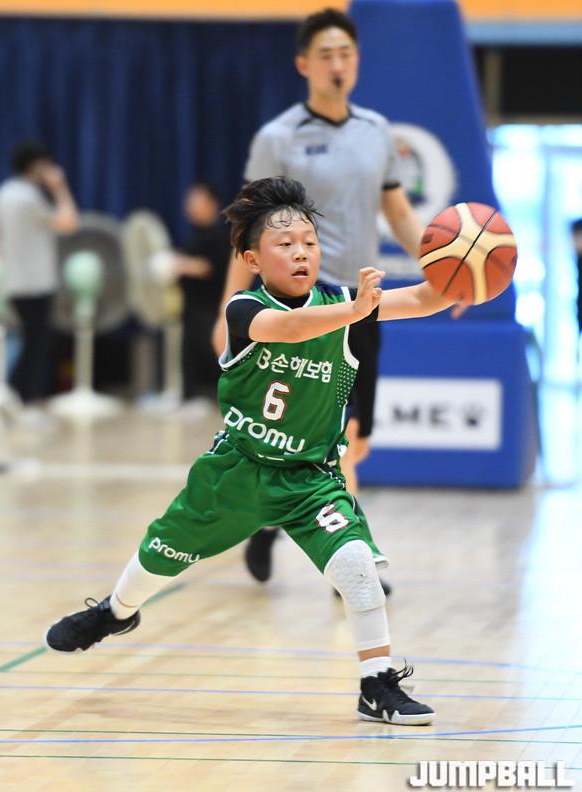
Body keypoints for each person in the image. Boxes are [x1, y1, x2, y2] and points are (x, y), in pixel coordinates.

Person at [45, 176, 457, 725]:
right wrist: (358, 311)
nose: (301, 252)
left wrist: (469, 277)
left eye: (309, 242)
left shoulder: (342, 302)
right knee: (160, 551)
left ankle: (376, 683)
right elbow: (288, 328)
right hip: (238, 470)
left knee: (357, 566)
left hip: (311, 478)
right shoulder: (244, 308)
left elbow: (426, 297)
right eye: (285, 244)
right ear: (251, 259)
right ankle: (115, 612)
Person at [212, 8, 427, 587]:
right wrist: (228, 309)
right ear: (304, 64)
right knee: (329, 435)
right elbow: (246, 232)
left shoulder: (376, 130)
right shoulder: (278, 137)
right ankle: (354, 566)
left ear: (357, 62)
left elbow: (398, 213)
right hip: (297, 309)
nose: (338, 64)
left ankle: (274, 521)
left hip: (362, 300)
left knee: (355, 437)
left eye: (346, 54)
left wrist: (444, 271)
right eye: (326, 54)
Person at [0, 140, 78, 415]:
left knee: (27, 342)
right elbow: (69, 223)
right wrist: (59, 187)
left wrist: (4, 258)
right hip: (35, 284)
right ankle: (19, 400)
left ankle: (14, 399)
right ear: (36, 166)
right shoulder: (30, 197)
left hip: (12, 282)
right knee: (35, 345)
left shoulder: (4, 192)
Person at [174, 182, 229, 413]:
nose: (191, 207)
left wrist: (181, 265)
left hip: (212, 305)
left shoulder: (221, 234)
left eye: (197, 201)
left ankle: (219, 397)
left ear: (211, 204)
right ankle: (189, 396)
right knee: (188, 350)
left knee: (211, 349)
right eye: (189, 202)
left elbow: (210, 267)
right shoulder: (194, 234)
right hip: (191, 304)